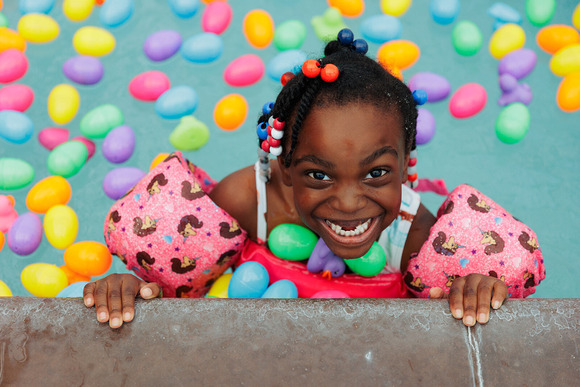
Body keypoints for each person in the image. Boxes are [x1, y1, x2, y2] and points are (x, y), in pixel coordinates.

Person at [84, 29, 508, 329]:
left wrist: (472, 289)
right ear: (286, 169)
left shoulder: (411, 235)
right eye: (319, 174)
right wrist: (134, 288)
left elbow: (453, 319)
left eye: (377, 173)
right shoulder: (250, 201)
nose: (347, 202)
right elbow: (179, 283)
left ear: (403, 167)